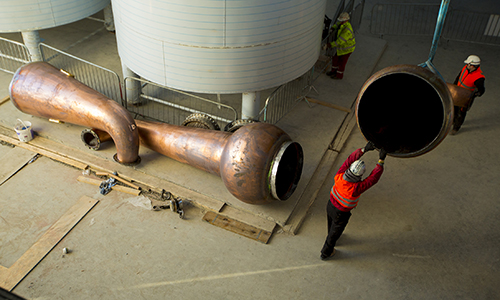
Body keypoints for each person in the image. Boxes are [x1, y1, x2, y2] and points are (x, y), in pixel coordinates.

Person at [320, 141, 386, 260]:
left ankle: (333, 237)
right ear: (360, 175)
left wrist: (364, 150)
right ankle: (326, 253)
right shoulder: (355, 189)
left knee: (331, 225)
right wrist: (380, 161)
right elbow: (373, 179)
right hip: (341, 214)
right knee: (334, 233)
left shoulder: (340, 175)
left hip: (330, 205)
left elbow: (349, 159)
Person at [451, 55, 486, 135]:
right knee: (454, 108)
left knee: (461, 112)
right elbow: (458, 77)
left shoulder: (479, 77)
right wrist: (454, 86)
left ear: (475, 66)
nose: (468, 66)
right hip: (457, 93)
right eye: (468, 64)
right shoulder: (465, 68)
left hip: (465, 98)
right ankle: (452, 121)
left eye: (470, 65)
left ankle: (456, 128)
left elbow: (481, 89)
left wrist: (476, 94)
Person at [326, 12, 356, 80]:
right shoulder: (342, 24)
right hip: (342, 48)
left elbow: (339, 42)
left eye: (342, 21)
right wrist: (333, 28)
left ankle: (339, 75)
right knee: (335, 59)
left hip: (347, 49)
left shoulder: (347, 30)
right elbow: (337, 24)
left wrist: (329, 45)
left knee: (342, 63)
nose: (341, 22)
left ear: (346, 20)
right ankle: (333, 71)